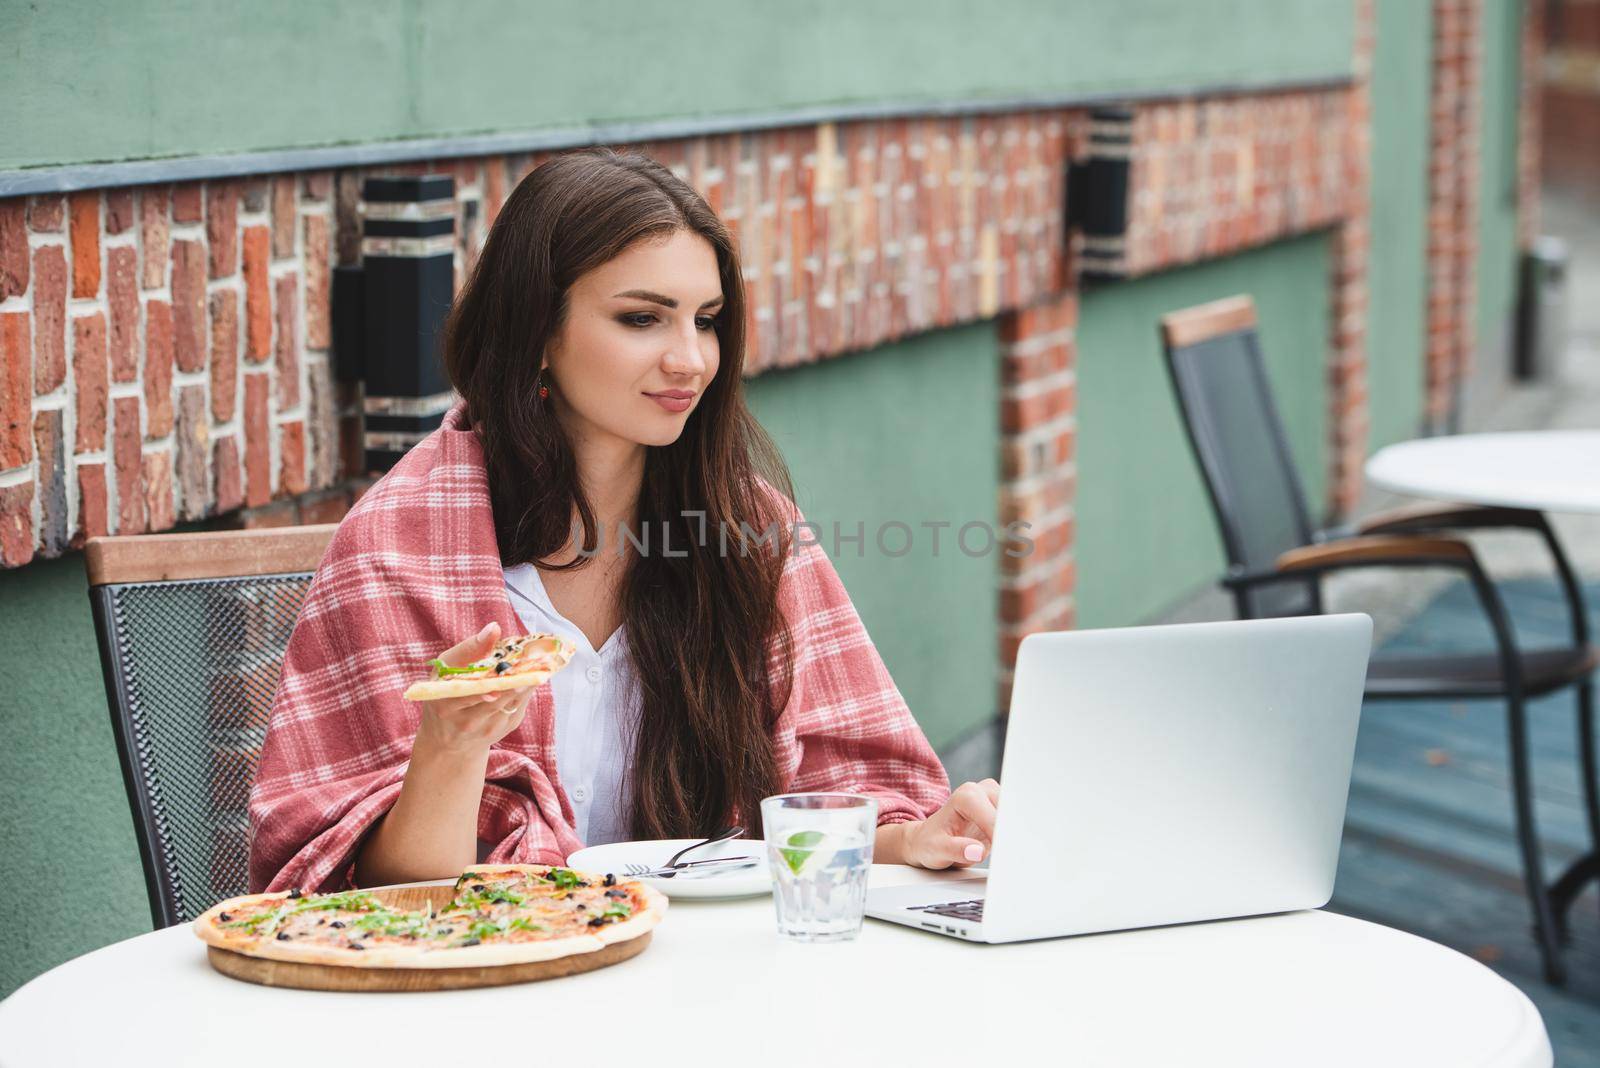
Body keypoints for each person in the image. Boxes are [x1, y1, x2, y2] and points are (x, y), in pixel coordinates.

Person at [247, 147, 1001, 894]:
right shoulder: (397, 546)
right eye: (642, 319)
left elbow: (833, 788)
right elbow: (368, 893)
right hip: (501, 983)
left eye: (705, 321)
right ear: (536, 331)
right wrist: (449, 746)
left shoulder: (747, 529)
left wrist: (915, 839)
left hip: (705, 969)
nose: (690, 360)